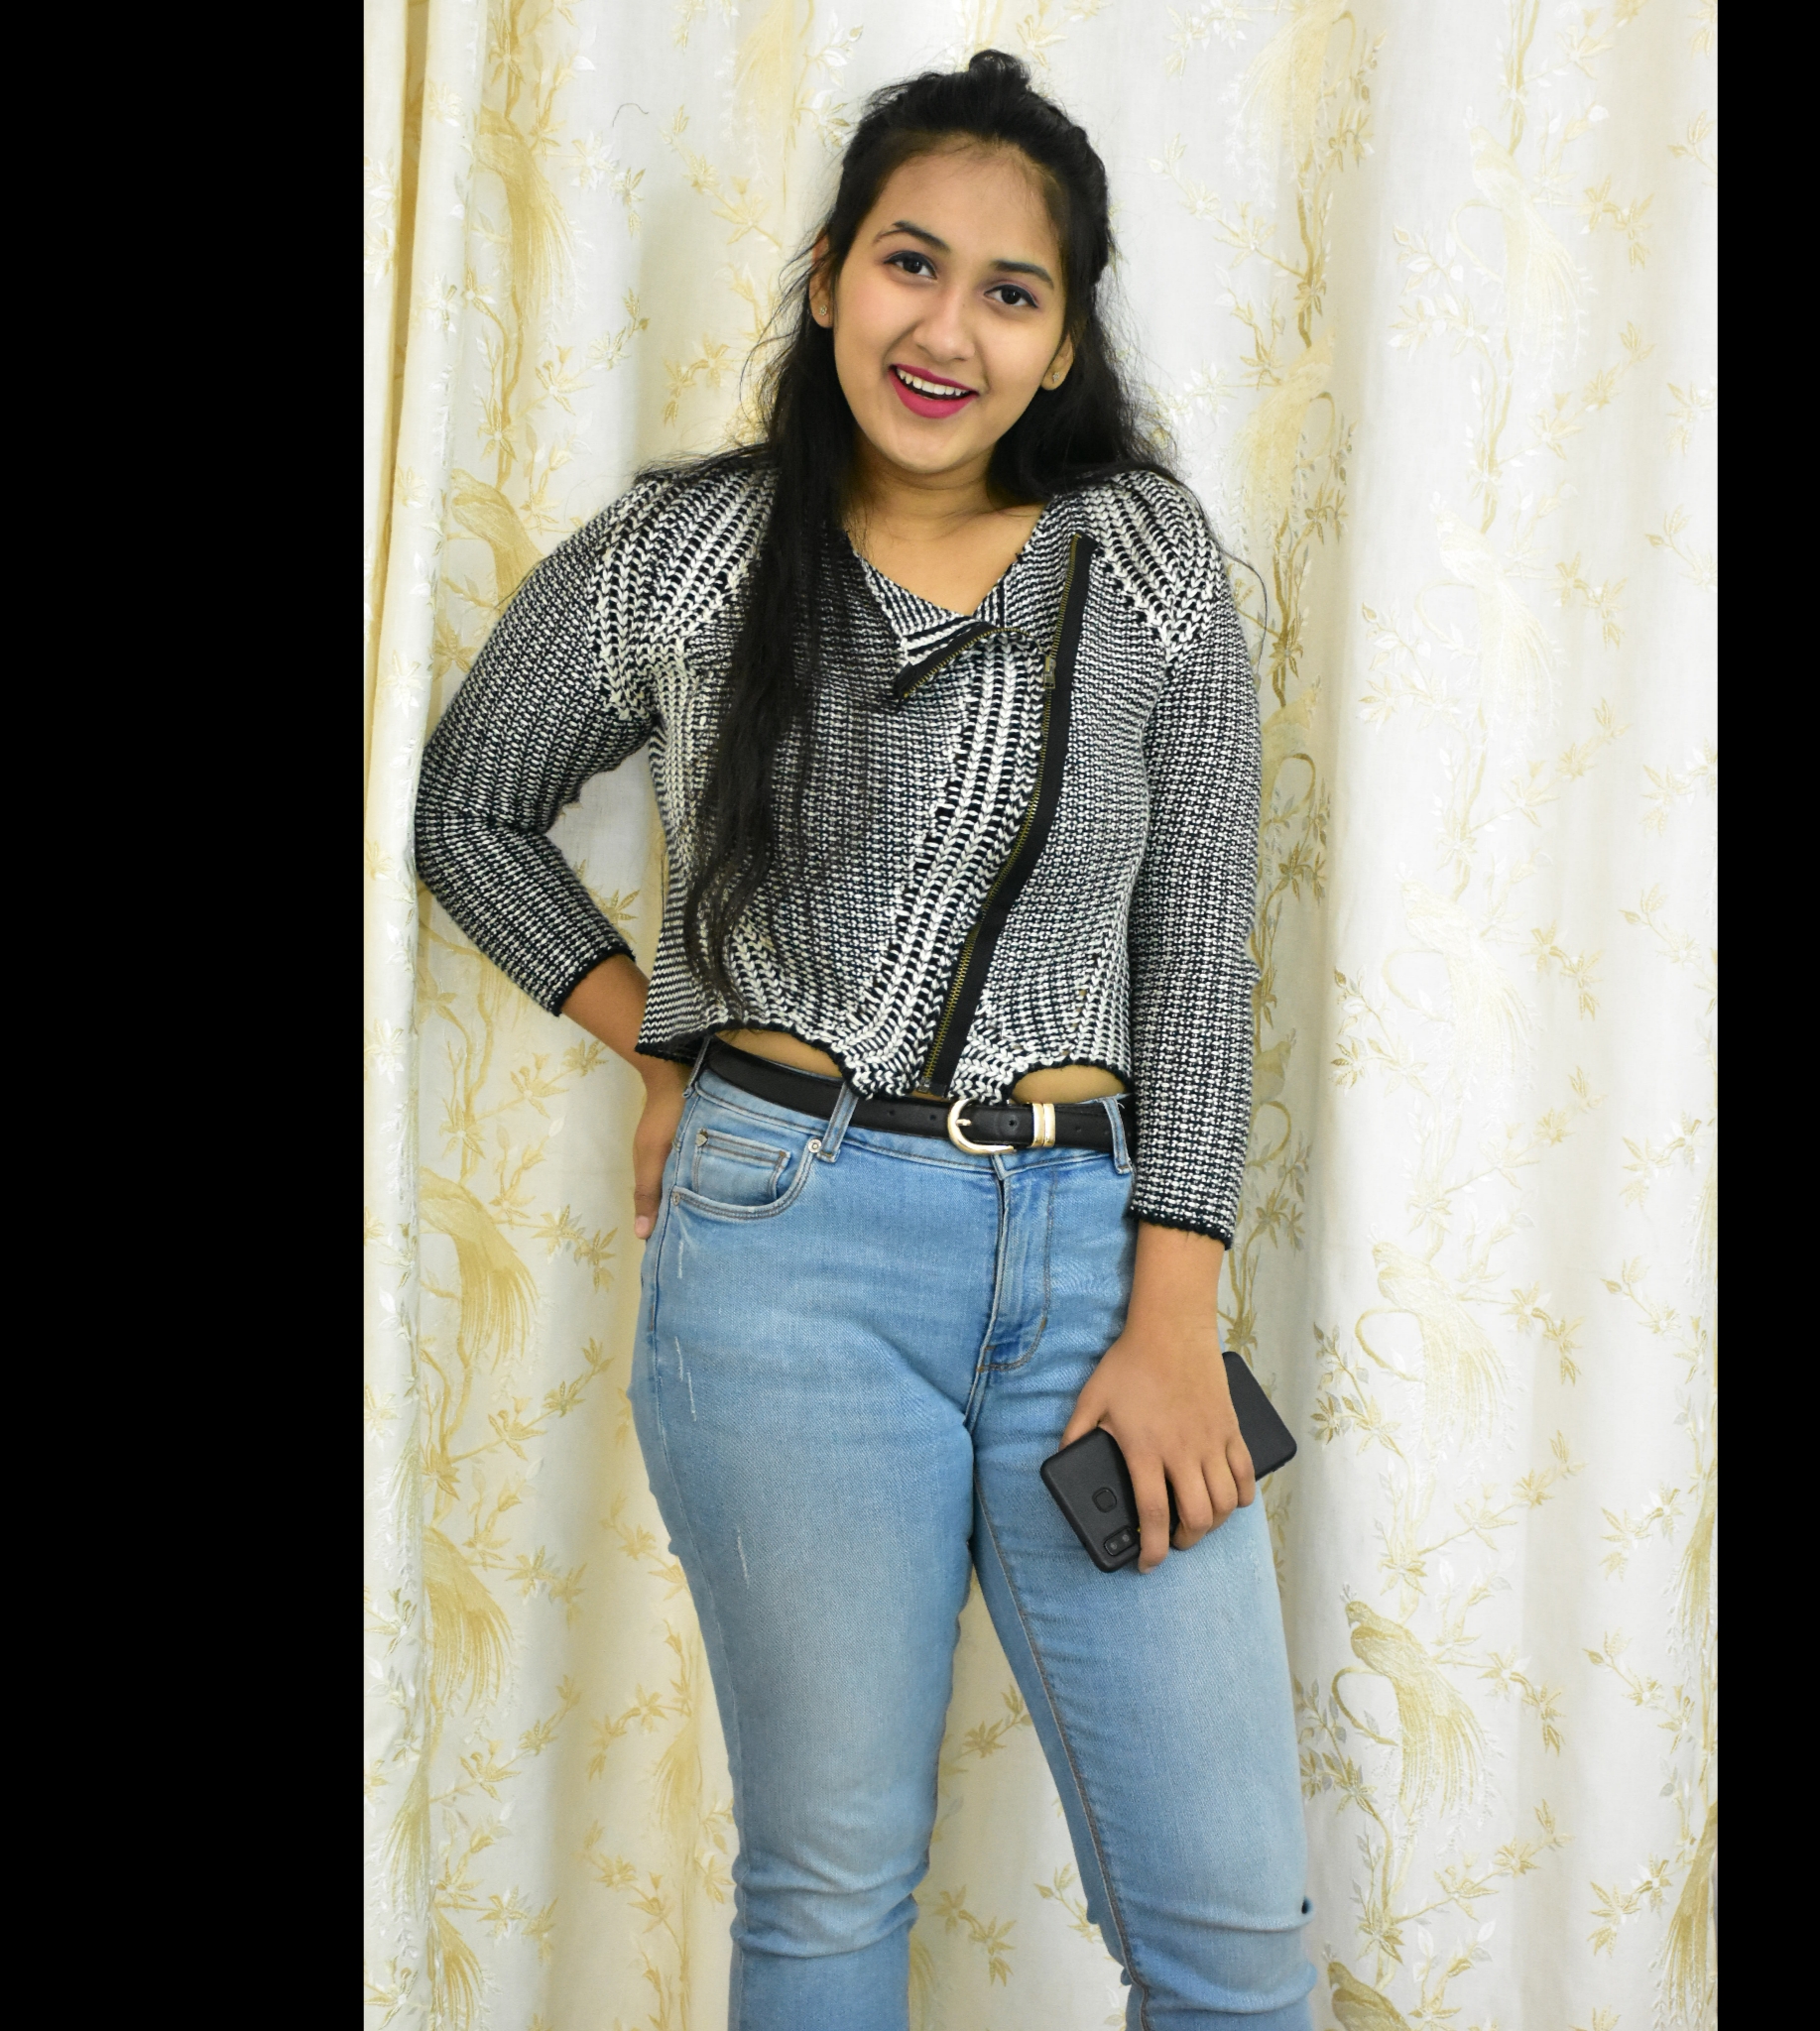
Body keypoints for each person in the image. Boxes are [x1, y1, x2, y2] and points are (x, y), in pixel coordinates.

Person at [415, 49, 1313, 2031]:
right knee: (828, 1890)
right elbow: (467, 809)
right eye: (912, 263)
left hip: (1095, 1269)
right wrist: (668, 1044)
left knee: (1236, 1939)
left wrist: (1175, 1309)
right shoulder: (685, 555)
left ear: (1061, 339)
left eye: (1011, 291)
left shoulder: (1147, 561)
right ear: (829, 275)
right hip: (783, 1253)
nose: (947, 329)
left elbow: (1195, 946)